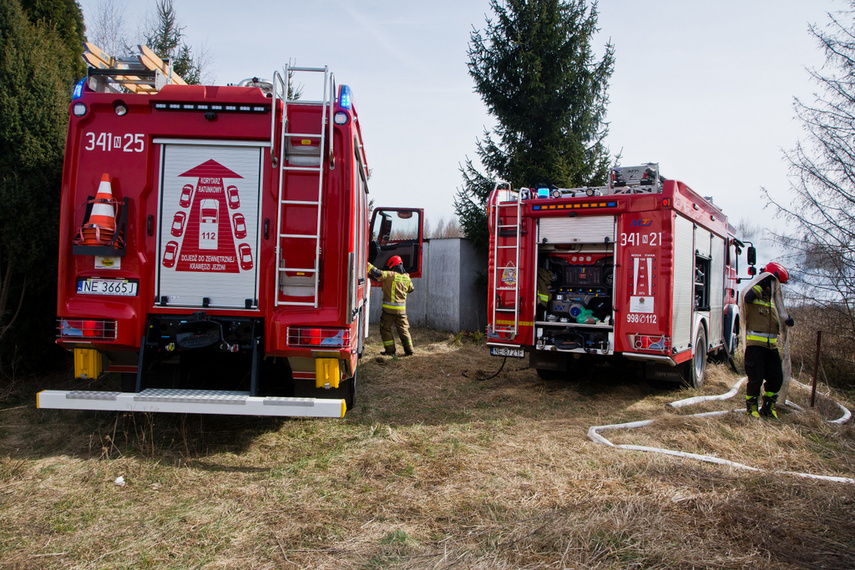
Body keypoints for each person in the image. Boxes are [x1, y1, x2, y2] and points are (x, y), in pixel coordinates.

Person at [739, 262, 795, 419]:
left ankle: (768, 407)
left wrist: (787, 320)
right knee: (755, 379)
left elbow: (778, 314)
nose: (778, 286)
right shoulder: (755, 290)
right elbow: (747, 297)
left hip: (771, 346)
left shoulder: (773, 298)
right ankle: (752, 409)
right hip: (755, 346)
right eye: (776, 282)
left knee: (776, 378)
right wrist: (762, 283)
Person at [368, 255, 414, 356]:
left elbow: (377, 273)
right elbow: (411, 289)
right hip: (401, 311)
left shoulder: (390, 275)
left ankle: (390, 351)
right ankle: (409, 350)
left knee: (385, 329)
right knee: (404, 330)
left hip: (388, 311)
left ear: (392, 265)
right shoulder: (407, 278)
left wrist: (366, 264)